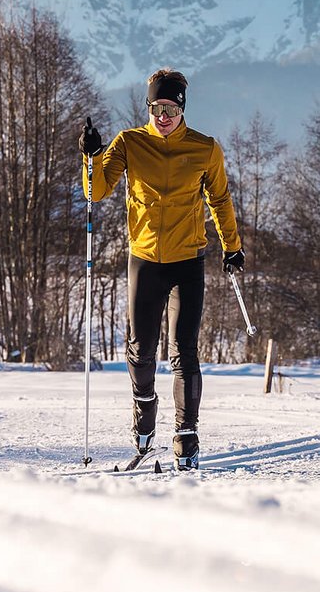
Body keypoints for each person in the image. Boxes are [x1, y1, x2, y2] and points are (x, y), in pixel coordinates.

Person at [81, 68, 244, 471]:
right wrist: (92, 154)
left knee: (184, 353)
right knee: (140, 352)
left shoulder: (205, 149)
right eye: (156, 107)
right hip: (145, 260)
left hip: (187, 260)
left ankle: (186, 434)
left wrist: (232, 248)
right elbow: (95, 191)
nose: (163, 115)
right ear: (149, 107)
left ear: (182, 107)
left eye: (170, 107)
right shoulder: (130, 143)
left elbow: (220, 200)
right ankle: (144, 413)